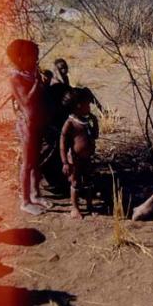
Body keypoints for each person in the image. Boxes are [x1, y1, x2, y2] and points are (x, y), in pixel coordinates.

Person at [7, 39, 52, 215]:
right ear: (19, 58)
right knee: (27, 163)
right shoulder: (15, 77)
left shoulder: (30, 73)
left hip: (37, 122)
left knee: (36, 161)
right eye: (32, 56)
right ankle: (25, 201)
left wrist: (43, 83)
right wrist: (37, 84)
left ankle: (35, 194)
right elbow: (25, 101)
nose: (36, 60)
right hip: (26, 125)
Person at [60, 87, 99, 219]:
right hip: (75, 159)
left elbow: (95, 136)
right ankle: (75, 208)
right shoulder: (70, 123)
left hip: (87, 158)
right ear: (78, 106)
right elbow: (63, 144)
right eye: (87, 104)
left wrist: (95, 123)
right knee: (75, 183)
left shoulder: (86, 120)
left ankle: (89, 205)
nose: (89, 107)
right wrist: (65, 162)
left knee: (88, 181)